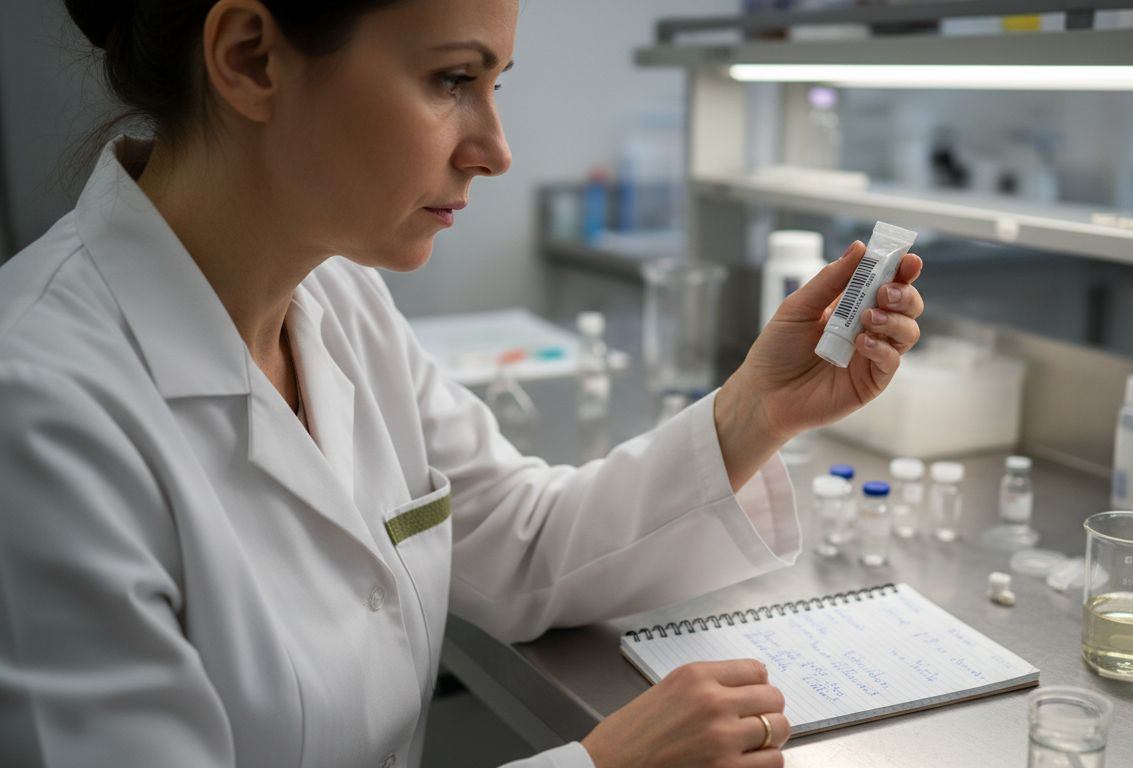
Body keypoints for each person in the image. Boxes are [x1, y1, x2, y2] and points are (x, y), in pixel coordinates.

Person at [0, 1, 924, 766]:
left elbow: (520, 543)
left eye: (496, 86)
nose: (495, 148)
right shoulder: (41, 402)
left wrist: (755, 411)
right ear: (250, 59)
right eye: (453, 81)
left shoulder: (338, 301)